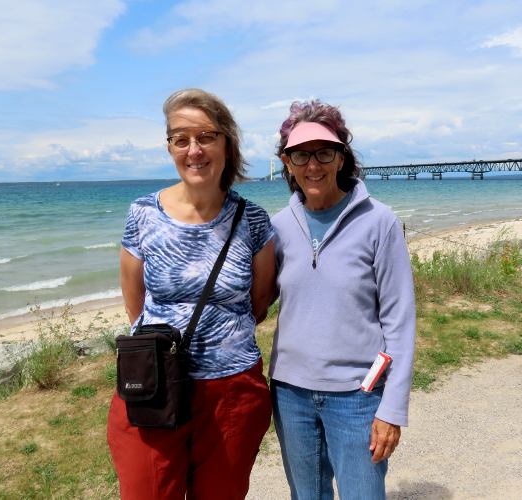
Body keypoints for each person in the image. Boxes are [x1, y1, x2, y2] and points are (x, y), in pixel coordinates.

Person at [107, 88, 275, 499]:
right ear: (169, 147)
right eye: (180, 138)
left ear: (227, 142)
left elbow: (259, 302)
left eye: (205, 136)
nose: (193, 150)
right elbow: (135, 300)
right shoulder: (144, 213)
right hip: (154, 385)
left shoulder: (251, 218)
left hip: (232, 392)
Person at [269, 100, 416, 499]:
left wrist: (393, 408)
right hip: (290, 393)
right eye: (300, 154)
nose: (312, 165)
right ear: (287, 162)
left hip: (358, 395)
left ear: (340, 157)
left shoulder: (378, 221)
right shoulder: (278, 226)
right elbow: (256, 298)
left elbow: (399, 321)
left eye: (323, 152)